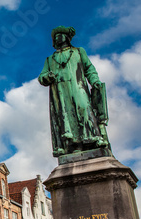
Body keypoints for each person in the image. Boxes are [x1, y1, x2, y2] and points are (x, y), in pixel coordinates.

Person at [38, 26, 110, 157]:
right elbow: (41, 77)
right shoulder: (50, 59)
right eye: (55, 36)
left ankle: (92, 140)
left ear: (67, 37)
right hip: (60, 92)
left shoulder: (78, 51)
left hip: (78, 86)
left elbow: (89, 69)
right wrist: (47, 77)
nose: (57, 38)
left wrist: (95, 81)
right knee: (64, 117)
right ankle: (74, 145)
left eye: (60, 35)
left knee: (84, 109)